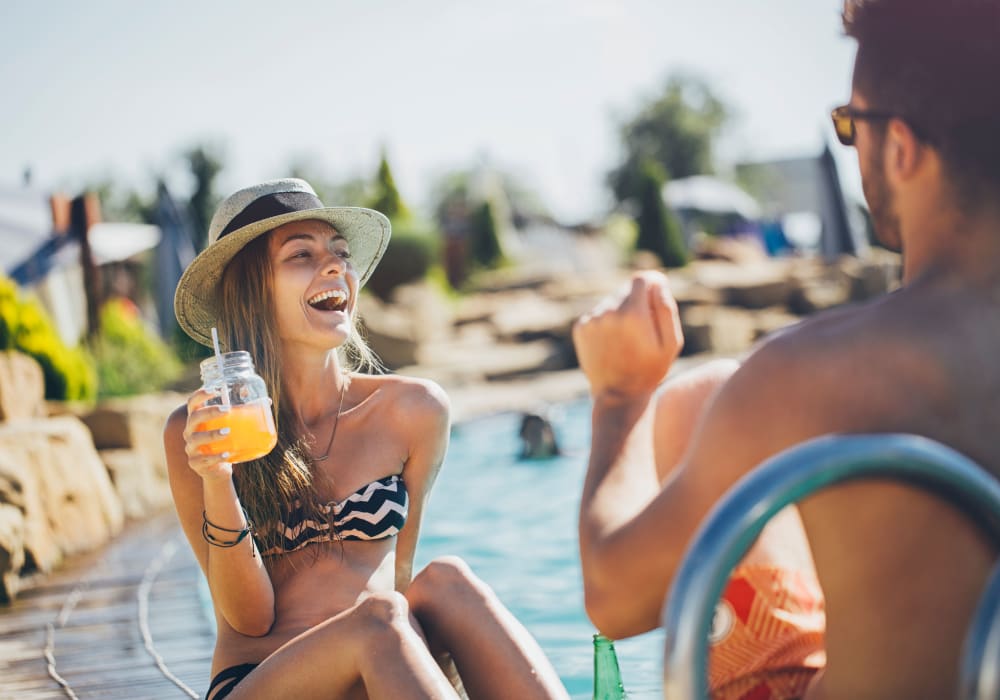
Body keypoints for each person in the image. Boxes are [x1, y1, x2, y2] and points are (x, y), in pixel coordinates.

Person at [572, 1, 1000, 698]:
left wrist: (619, 397)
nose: (850, 145)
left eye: (848, 125)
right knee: (706, 397)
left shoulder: (815, 376)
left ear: (900, 146)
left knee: (691, 402)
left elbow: (617, 597)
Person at [164, 178, 568, 700]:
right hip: (261, 681)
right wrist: (217, 477)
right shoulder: (199, 429)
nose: (334, 267)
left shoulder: (413, 412)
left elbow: (400, 579)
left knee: (446, 581)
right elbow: (248, 620)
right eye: (301, 255)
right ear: (252, 290)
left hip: (375, 663)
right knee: (378, 620)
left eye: (340, 253)